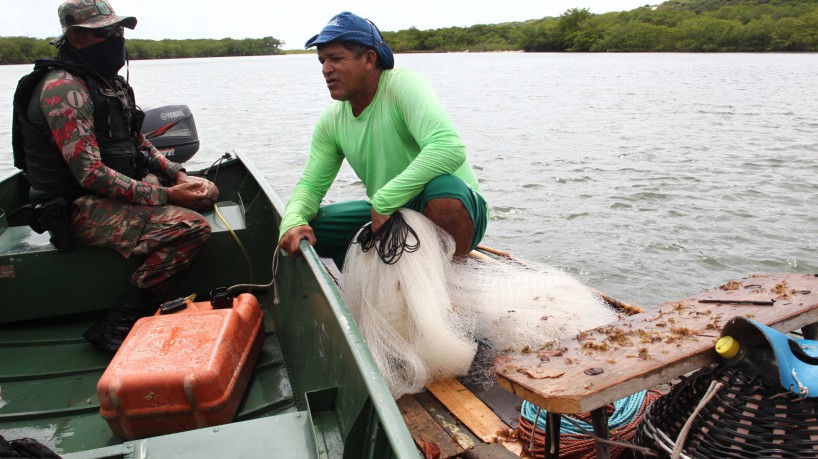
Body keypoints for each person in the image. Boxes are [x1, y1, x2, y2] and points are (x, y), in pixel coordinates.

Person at [11, 0, 217, 352]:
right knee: (191, 228)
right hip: (77, 206)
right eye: (106, 33)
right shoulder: (64, 89)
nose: (117, 40)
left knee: (208, 190)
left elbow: (140, 145)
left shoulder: (110, 84)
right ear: (76, 39)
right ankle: (119, 320)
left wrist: (179, 176)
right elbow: (90, 175)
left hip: (112, 193)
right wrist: (169, 196)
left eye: (118, 31)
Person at [278, 11, 488, 267]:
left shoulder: (401, 85)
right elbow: (310, 186)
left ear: (369, 59)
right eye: (321, 60)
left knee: (445, 191)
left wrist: (385, 200)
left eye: (335, 58)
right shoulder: (331, 121)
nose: (325, 69)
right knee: (309, 229)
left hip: (451, 207)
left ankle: (454, 275)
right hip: (390, 211)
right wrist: (292, 219)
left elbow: (449, 148)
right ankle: (368, 280)